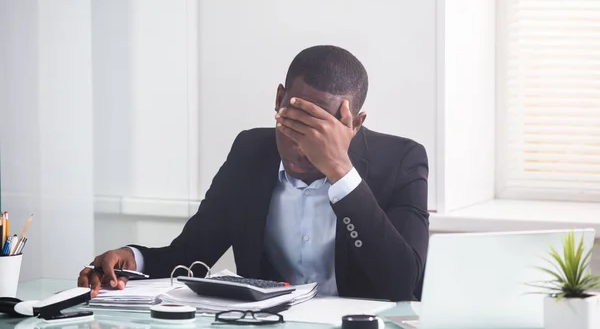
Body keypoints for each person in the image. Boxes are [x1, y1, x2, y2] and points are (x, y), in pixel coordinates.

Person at [78, 45, 430, 302]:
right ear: (279, 100)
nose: (302, 148)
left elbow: (402, 284)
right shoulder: (250, 153)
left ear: (355, 124)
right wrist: (130, 261)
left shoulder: (401, 161)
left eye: (320, 132)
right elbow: (189, 256)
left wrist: (340, 170)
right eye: (294, 124)